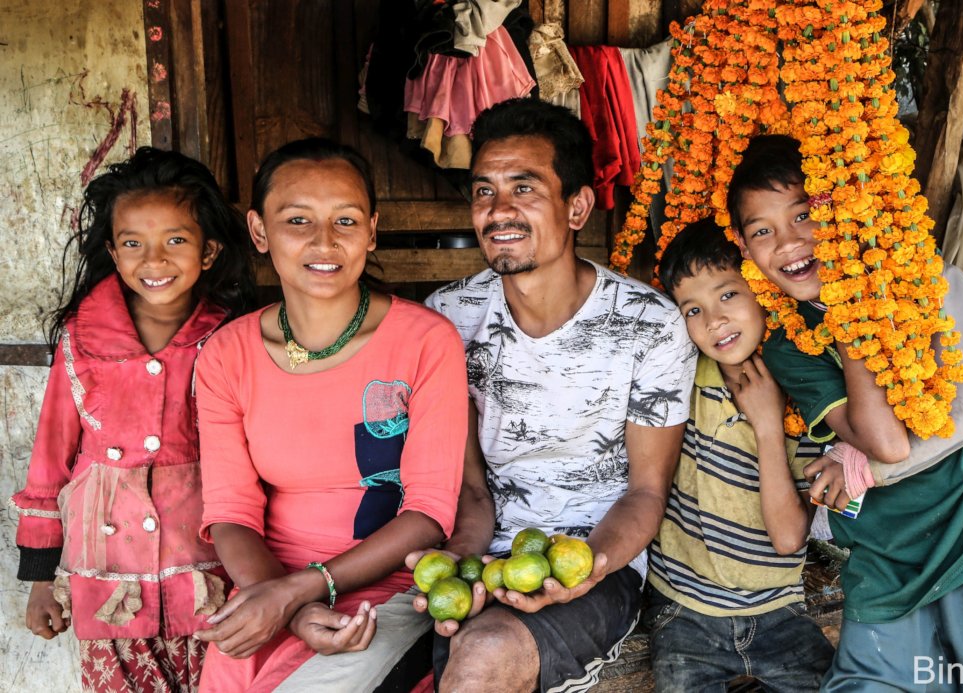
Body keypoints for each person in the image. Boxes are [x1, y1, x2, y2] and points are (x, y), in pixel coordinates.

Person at [416, 98, 695, 692]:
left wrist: (586, 571)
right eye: (484, 191)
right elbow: (468, 487)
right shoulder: (446, 319)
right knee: (474, 651)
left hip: (599, 561)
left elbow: (646, 493)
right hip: (487, 558)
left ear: (578, 206)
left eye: (524, 188)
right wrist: (464, 568)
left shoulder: (649, 325)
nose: (498, 211)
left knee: (485, 656)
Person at [728, 134, 963, 690]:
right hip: (890, 561)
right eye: (762, 231)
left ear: (839, 217)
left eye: (804, 216)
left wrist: (861, 289)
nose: (789, 243)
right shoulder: (790, 343)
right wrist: (850, 312)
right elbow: (885, 443)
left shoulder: (908, 279)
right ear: (745, 251)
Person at [193, 138, 468, 692]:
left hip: (389, 589)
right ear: (259, 231)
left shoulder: (426, 341)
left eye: (345, 220)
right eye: (298, 220)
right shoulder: (227, 354)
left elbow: (430, 512)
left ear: (371, 229)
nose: (325, 241)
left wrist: (304, 591)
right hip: (267, 584)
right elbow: (231, 512)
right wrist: (286, 604)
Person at [10, 146, 256, 691]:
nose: (154, 260)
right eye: (133, 243)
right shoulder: (82, 339)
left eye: (176, 240)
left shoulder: (232, 337)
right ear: (113, 254)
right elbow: (50, 464)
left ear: (209, 251)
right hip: (107, 578)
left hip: (209, 571)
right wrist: (39, 580)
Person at [644, 217, 834, 692]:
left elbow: (790, 538)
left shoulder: (803, 393)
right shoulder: (682, 373)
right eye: (692, 309)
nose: (714, 321)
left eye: (728, 294)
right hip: (684, 610)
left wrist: (769, 426)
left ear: (760, 288)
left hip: (779, 611)